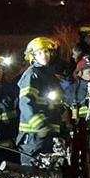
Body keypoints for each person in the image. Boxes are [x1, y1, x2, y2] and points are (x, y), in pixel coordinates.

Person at [17, 37, 66, 165]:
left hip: (50, 133)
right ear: (32, 57)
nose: (44, 55)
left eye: (46, 52)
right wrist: (40, 126)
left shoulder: (50, 75)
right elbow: (25, 103)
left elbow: (55, 103)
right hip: (34, 134)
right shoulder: (32, 74)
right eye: (39, 53)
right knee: (32, 173)